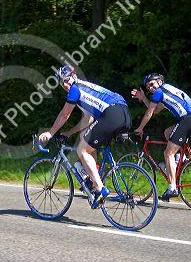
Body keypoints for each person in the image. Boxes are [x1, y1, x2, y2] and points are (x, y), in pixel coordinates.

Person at [39, 65, 131, 209]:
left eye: (67, 80)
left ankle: (100, 189)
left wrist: (50, 133)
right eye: (62, 83)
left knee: (81, 150)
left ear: (73, 76)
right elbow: (87, 119)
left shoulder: (75, 90)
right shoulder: (85, 88)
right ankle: (94, 184)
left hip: (112, 112)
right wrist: (69, 133)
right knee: (88, 144)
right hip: (123, 112)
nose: (66, 84)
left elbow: (64, 115)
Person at [132, 73, 191, 200]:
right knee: (168, 132)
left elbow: (150, 113)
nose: (151, 88)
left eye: (152, 84)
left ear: (159, 81)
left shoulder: (159, 92)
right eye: (148, 87)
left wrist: (140, 128)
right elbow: (156, 109)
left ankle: (172, 187)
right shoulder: (168, 90)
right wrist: (143, 98)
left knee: (168, 153)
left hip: (187, 119)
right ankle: (184, 159)